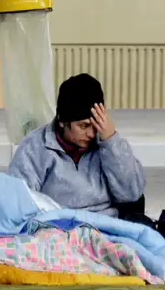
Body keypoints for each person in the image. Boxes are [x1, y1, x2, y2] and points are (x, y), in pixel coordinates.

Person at [8, 73, 149, 222]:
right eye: (83, 126)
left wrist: (111, 141)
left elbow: (132, 193)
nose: (91, 133)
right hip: (56, 228)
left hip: (106, 226)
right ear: (62, 121)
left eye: (95, 125)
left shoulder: (106, 142)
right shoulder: (35, 147)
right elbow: (20, 201)